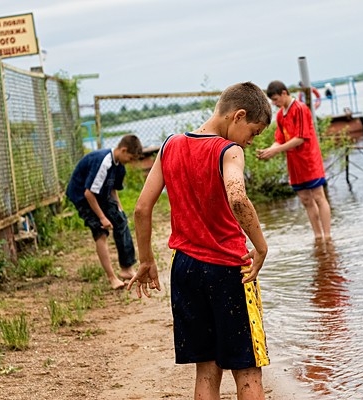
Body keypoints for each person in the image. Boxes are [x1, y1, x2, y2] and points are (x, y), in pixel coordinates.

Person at [128, 82, 272, 400]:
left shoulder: (170, 145)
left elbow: (141, 208)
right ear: (238, 115)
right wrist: (261, 246)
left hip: (186, 270)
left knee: (206, 369)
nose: (250, 142)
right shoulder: (228, 151)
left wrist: (146, 260)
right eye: (254, 132)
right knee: (248, 370)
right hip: (228, 269)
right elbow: (237, 197)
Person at [257, 80, 332, 241]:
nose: (275, 103)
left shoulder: (300, 109)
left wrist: (277, 149)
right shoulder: (280, 115)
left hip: (309, 159)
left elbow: (301, 138)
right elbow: (280, 138)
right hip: (294, 163)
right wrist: (270, 149)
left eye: (276, 99)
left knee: (319, 196)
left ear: (284, 93)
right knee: (305, 199)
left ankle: (327, 235)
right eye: (273, 101)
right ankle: (318, 235)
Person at [66, 134, 143, 290]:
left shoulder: (119, 166)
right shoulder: (104, 162)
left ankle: (126, 268)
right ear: (123, 150)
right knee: (101, 232)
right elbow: (88, 193)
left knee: (121, 221)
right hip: (82, 196)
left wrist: (119, 209)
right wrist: (102, 218)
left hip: (100, 195)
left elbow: (113, 190)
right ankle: (111, 278)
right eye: (131, 157)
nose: (131, 162)